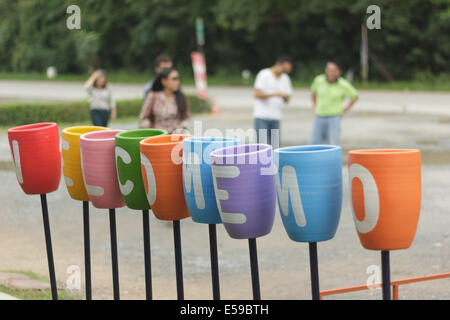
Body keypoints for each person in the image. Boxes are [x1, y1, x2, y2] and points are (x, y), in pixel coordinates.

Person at [310, 61, 358, 145]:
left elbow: (354, 97)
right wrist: (314, 106)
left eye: (333, 70)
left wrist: (345, 110)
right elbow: (313, 93)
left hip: (334, 118)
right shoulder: (319, 80)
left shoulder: (343, 84)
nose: (330, 73)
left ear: (338, 72)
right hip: (319, 116)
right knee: (314, 143)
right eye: (328, 70)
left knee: (332, 144)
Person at [253, 55, 293, 148]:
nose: (284, 72)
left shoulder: (285, 78)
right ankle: (261, 162)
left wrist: (284, 96)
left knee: (275, 146)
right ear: (278, 64)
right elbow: (257, 94)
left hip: (276, 117)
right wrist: (275, 94)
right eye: (284, 69)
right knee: (262, 146)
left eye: (286, 71)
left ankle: (274, 162)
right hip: (262, 116)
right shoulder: (264, 74)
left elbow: (288, 99)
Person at [139, 67, 190, 133]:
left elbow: (186, 118)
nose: (177, 82)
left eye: (178, 79)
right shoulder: (153, 96)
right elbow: (143, 117)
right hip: (157, 136)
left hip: (176, 137)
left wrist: (181, 127)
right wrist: (150, 129)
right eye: (174, 79)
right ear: (164, 81)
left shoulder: (181, 97)